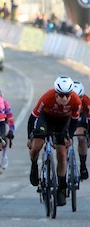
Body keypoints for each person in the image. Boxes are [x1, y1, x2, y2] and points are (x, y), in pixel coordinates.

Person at [28, 76, 82, 206]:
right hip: (46, 119)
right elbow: (33, 117)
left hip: (63, 122)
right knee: (37, 145)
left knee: (62, 154)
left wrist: (68, 135)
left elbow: (74, 121)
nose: (64, 98)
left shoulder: (76, 101)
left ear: (71, 94)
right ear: (56, 93)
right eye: (61, 95)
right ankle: (34, 165)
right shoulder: (47, 97)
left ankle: (61, 189)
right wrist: (30, 137)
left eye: (67, 95)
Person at [72, 81, 89, 180]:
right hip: (67, 115)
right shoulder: (65, 99)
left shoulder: (87, 101)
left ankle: (83, 165)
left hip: (79, 116)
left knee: (81, 137)